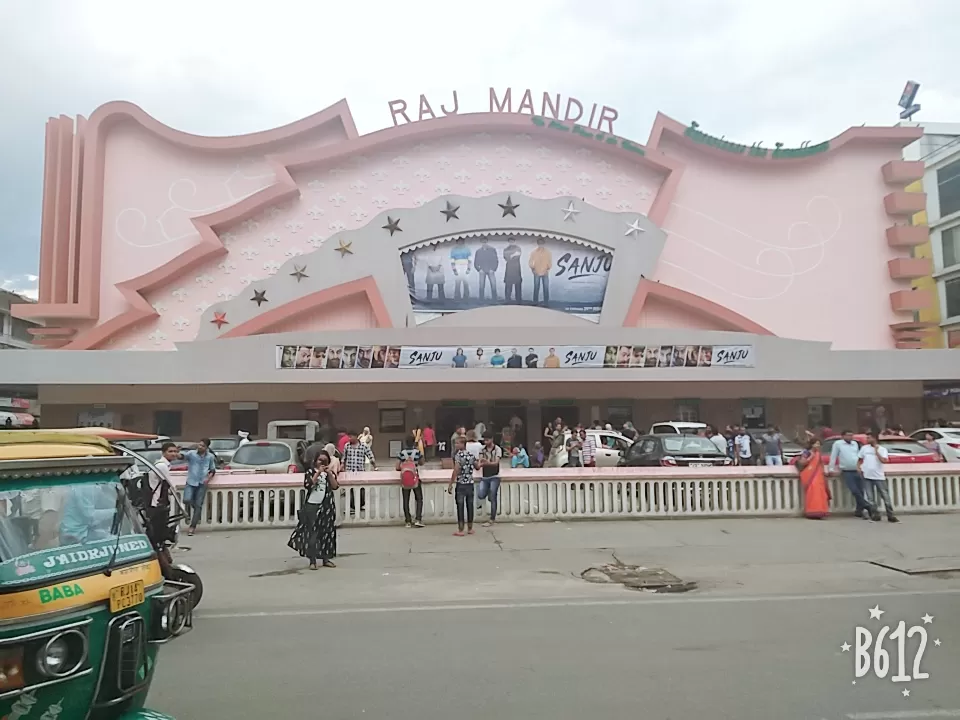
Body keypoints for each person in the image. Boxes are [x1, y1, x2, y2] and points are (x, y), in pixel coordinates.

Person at [288, 450, 339, 569]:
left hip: (327, 506)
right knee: (313, 534)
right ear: (315, 461)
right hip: (312, 506)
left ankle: (326, 558)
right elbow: (308, 485)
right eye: (320, 460)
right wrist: (317, 474)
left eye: (325, 460)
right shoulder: (310, 472)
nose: (322, 462)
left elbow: (335, 486)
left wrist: (329, 474)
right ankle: (312, 561)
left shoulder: (329, 473)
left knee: (327, 533)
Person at [828, 430, 870, 518]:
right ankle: (867, 505)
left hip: (857, 469)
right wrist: (831, 468)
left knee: (861, 491)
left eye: (851, 435)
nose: (850, 437)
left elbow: (858, 456)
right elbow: (833, 456)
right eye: (848, 435)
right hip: (847, 470)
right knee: (854, 490)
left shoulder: (855, 444)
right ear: (843, 436)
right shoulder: (838, 444)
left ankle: (859, 511)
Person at [858, 431, 899, 523]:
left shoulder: (882, 449)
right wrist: (859, 468)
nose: (867, 439)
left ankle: (890, 515)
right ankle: (875, 514)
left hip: (879, 476)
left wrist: (876, 452)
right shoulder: (864, 448)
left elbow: (884, 461)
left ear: (874, 438)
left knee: (885, 496)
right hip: (867, 475)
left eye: (869, 437)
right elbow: (860, 459)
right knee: (870, 497)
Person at [181, 438, 216, 536]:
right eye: (199, 445)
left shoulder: (210, 457)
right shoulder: (192, 454)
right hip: (191, 481)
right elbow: (182, 457)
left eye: (202, 446)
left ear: (207, 447)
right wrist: (177, 452)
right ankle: (194, 511)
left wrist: (207, 479)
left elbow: (212, 470)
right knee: (187, 499)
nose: (200, 447)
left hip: (202, 483)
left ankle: (192, 527)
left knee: (199, 505)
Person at [448, 437, 478, 536]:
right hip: (470, 483)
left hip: (461, 483)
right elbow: (477, 466)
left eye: (457, 443)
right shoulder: (471, 455)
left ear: (463, 444)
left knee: (460, 506)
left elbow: (456, 470)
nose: (456, 445)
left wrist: (451, 483)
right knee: (470, 506)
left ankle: (460, 530)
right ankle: (470, 528)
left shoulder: (458, 456)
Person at [794, 438, 830, 519]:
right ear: (811, 444)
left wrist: (824, 472)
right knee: (812, 492)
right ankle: (812, 512)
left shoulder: (818, 453)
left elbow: (821, 464)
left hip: (819, 476)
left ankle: (821, 511)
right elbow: (801, 463)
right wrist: (810, 458)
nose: (817, 445)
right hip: (810, 476)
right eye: (816, 444)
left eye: (819, 444)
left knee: (821, 493)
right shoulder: (807, 452)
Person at [396, 434, 425, 528]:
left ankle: (408, 521)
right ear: (414, 443)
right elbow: (422, 463)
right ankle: (418, 519)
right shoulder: (417, 452)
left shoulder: (402, 453)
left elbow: (397, 467)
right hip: (415, 478)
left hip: (405, 479)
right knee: (419, 499)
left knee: (406, 500)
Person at [477, 432, 503, 527]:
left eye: (487, 440)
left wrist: (486, 462)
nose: (485, 442)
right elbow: (480, 462)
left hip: (495, 476)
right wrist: (480, 464)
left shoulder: (497, 449)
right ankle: (488, 492)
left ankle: (492, 518)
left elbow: (496, 463)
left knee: (493, 496)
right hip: (485, 476)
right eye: (484, 440)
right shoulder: (482, 449)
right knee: (480, 495)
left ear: (492, 439)